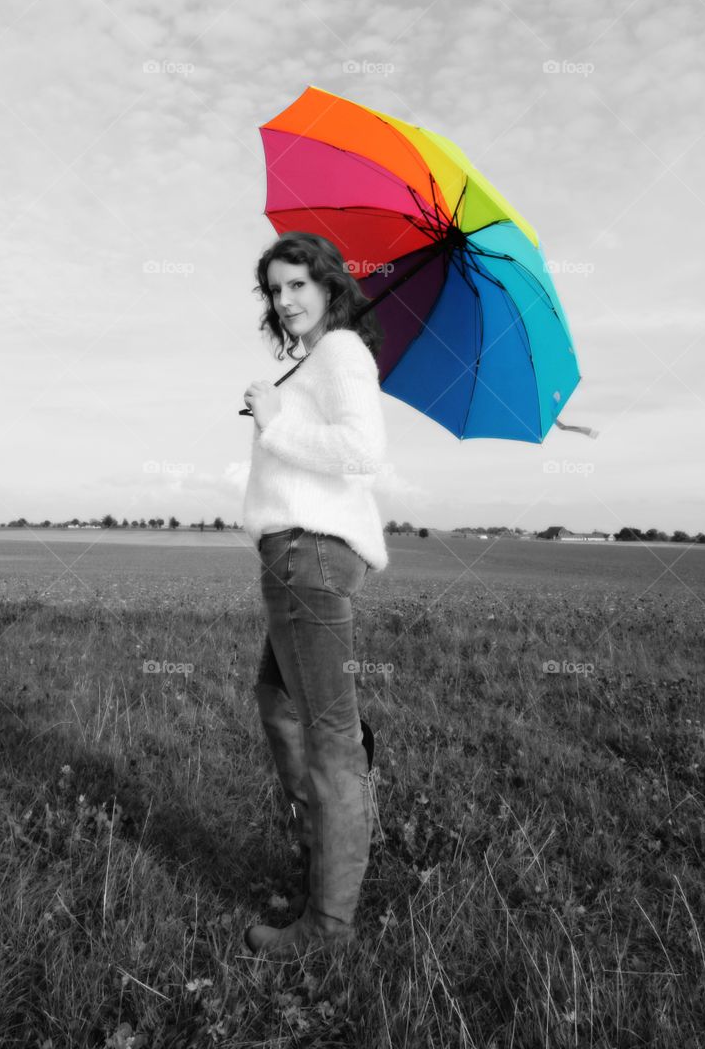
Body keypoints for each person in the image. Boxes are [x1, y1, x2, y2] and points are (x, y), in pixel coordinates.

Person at [240, 230, 389, 958]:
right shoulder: (313, 365)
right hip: (294, 557)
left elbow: (362, 450)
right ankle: (322, 855)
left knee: (331, 738)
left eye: (297, 283)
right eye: (274, 288)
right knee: (277, 703)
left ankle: (327, 926)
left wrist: (274, 423)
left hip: (310, 559)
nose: (284, 298)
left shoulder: (340, 354)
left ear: (329, 285)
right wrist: (278, 407)